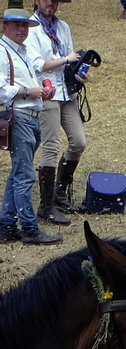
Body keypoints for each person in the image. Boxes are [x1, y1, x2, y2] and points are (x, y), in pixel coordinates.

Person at [0, 0, 55, 244]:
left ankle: (6, 226)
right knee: (23, 176)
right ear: (5, 27)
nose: (22, 29)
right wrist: (28, 92)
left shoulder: (20, 51)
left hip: (29, 116)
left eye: (24, 25)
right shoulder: (2, 52)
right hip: (20, 116)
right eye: (16, 25)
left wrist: (42, 92)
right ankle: (30, 230)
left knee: (17, 175)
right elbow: (1, 90)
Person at [24, 0, 84, 227]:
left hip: (66, 92)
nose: (51, 3)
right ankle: (46, 206)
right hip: (46, 92)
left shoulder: (63, 27)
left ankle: (59, 192)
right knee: (51, 146)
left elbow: (70, 62)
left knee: (79, 141)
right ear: (37, 1)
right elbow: (38, 65)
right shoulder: (31, 28)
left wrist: (78, 73)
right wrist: (67, 59)